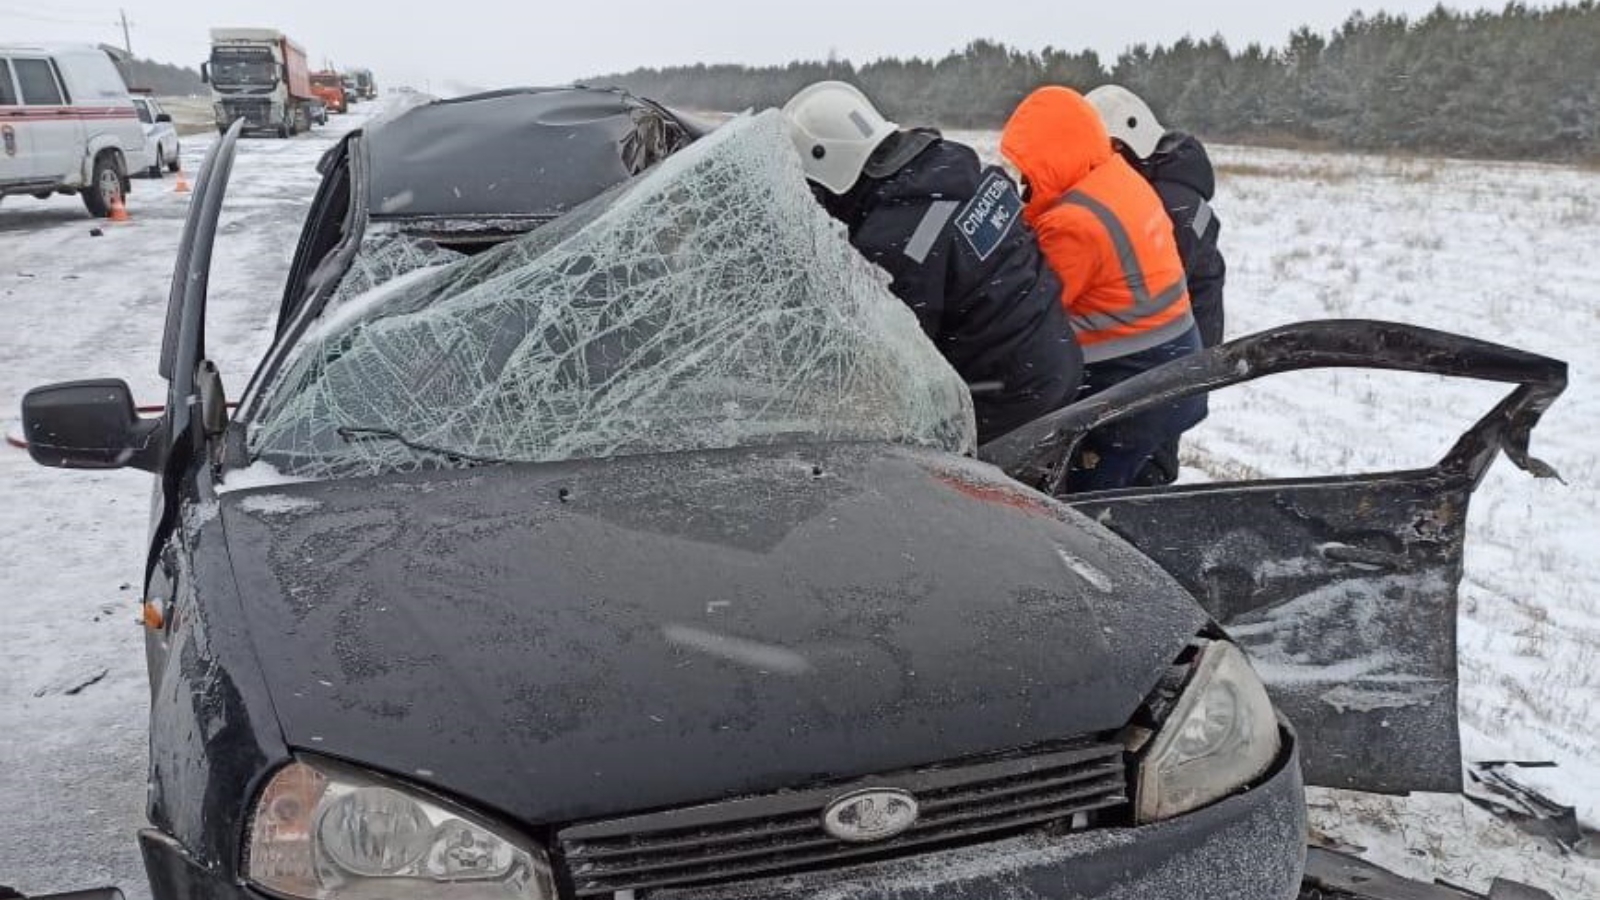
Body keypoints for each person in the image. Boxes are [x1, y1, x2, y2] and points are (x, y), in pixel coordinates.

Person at [781, 81, 1082, 445]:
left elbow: (886, 368)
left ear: (827, 169)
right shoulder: (956, 165)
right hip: (1052, 359)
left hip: (1006, 399)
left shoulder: (897, 244)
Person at [1000, 85, 1206, 492]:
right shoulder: (1119, 178)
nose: (1023, 178)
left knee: (1085, 511)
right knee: (1137, 496)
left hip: (1127, 389)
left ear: (1049, 156)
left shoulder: (1073, 223)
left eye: (1027, 167)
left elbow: (1033, 315)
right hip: (1177, 368)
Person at [1087, 85, 1227, 485]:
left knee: (1142, 463)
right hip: (1191, 339)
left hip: (1169, 355)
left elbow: (1135, 290)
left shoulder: (1164, 205)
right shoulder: (1178, 184)